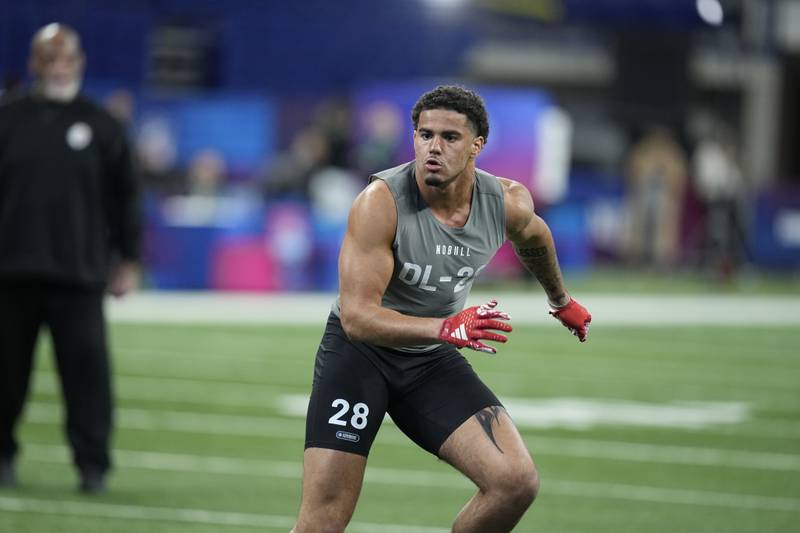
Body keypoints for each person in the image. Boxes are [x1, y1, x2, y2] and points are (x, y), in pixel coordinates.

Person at [292, 85, 591, 532]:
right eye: (424, 134)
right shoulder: (380, 203)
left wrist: (560, 301)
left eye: (449, 137)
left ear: (476, 146)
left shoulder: (505, 202)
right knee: (325, 519)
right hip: (360, 357)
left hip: (429, 359)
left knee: (515, 482)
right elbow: (356, 319)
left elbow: (537, 239)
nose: (433, 147)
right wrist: (445, 328)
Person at [0, 23, 141, 493]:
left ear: (80, 63)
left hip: (79, 274)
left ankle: (92, 465)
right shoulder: (7, 119)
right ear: (34, 64)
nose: (60, 69)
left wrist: (129, 259)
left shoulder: (102, 125)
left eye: (68, 61)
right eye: (50, 60)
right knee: (4, 374)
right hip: (10, 271)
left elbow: (126, 200)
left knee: (88, 379)